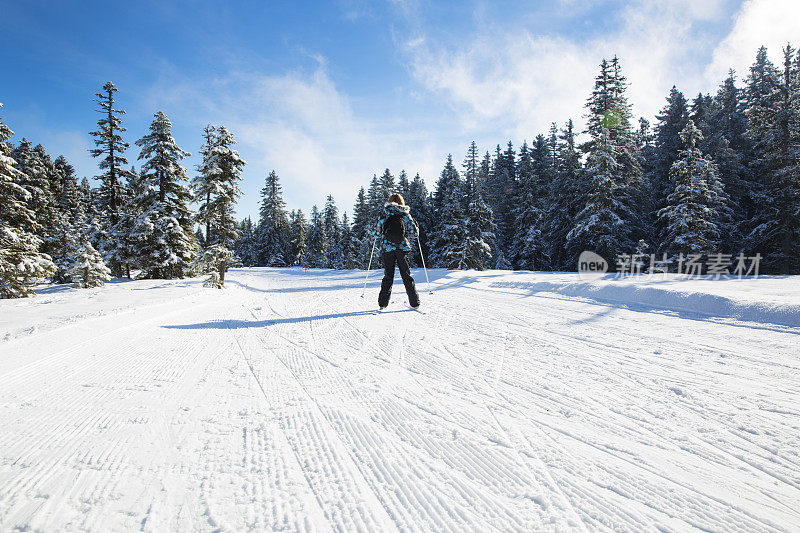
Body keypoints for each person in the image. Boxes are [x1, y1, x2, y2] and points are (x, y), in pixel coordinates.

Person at [372, 193, 420, 310]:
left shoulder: (384, 215)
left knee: (388, 276)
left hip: (387, 248)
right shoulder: (406, 215)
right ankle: (415, 302)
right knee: (406, 275)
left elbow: (376, 234)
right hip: (402, 248)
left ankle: (382, 303)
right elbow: (414, 234)